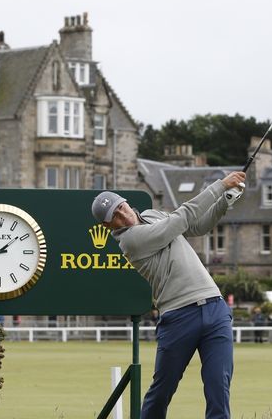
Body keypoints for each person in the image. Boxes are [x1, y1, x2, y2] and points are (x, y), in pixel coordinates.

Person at [92, 170, 245, 419]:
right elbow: (179, 220)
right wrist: (219, 186)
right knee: (162, 390)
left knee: (219, 386)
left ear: (126, 203)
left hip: (215, 306)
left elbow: (195, 225)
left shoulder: (152, 215)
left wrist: (225, 200)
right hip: (179, 316)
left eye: (121, 207)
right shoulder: (130, 241)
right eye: (115, 216)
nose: (123, 214)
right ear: (108, 226)